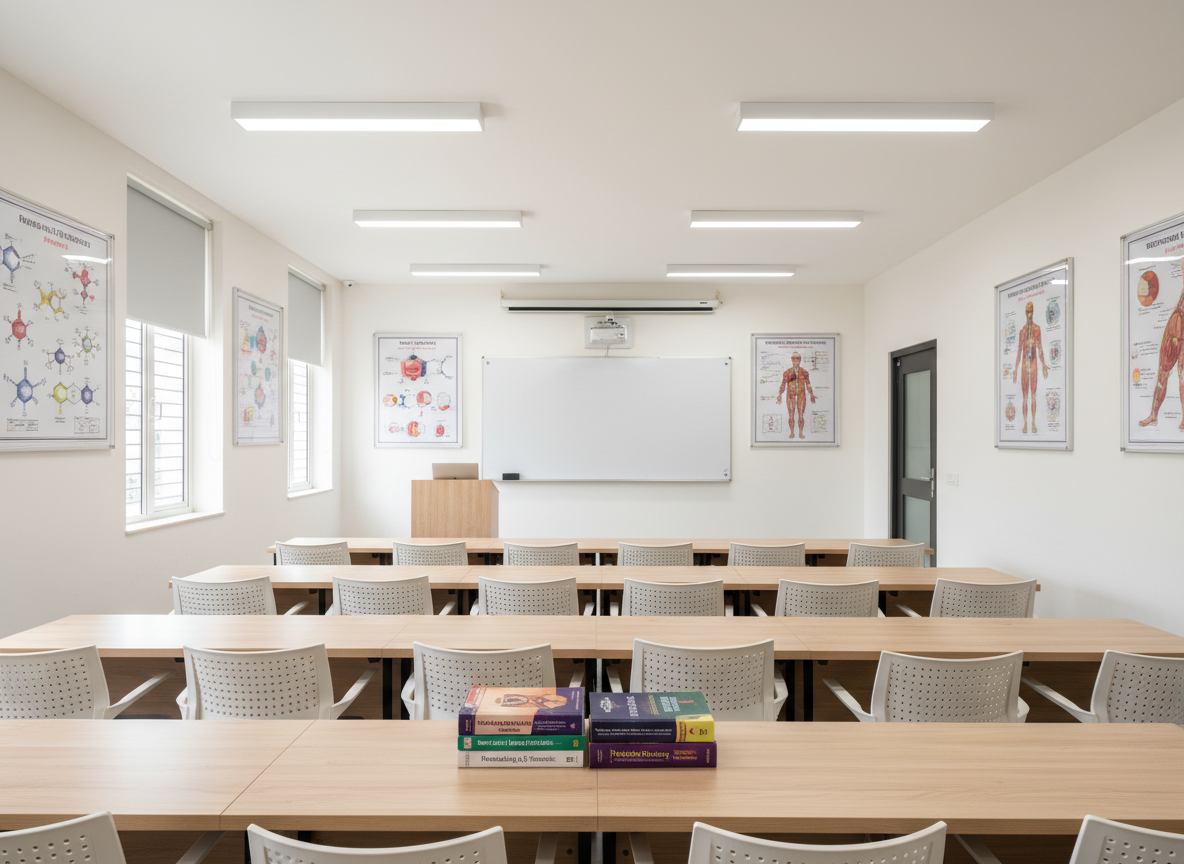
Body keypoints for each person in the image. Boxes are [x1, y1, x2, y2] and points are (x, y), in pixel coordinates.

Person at [1138, 279, 1184, 429]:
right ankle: (1153, 415)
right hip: (1175, 324)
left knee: (1182, 376)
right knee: (1162, 374)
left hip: (1179, 326)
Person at [1012, 301, 1048, 434]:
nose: (1029, 314)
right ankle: (1025, 424)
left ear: (1033, 312)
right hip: (1024, 367)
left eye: (1031, 311)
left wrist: (1043, 364)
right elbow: (1019, 351)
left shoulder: (1037, 329)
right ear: (1025, 313)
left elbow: (1040, 348)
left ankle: (1033, 423)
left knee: (1033, 396)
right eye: (1027, 312)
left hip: (1033, 366)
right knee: (1024, 397)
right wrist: (1016, 369)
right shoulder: (1022, 332)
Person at [776, 351, 816, 439]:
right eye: (794, 358)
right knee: (791, 415)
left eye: (797, 358)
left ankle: (800, 433)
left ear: (800, 360)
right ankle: (792, 432)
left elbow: (808, 384)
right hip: (790, 395)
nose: (795, 360)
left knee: (801, 415)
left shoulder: (804, 372)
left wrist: (812, 394)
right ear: (791, 360)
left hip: (801, 395)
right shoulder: (787, 373)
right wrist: (779, 394)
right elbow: (783, 384)